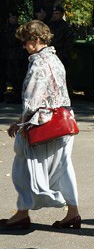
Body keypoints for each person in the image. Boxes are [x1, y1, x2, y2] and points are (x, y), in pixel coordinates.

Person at [2, 20, 81, 231]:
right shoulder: (55, 59)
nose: (24, 46)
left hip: (43, 122)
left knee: (23, 166)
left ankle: (22, 213)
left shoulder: (38, 63)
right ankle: (72, 212)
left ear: (36, 40)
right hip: (63, 120)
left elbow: (32, 100)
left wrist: (20, 122)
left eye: (26, 42)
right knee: (63, 167)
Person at [49, 5, 76, 79]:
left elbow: (69, 42)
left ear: (61, 14)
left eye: (57, 13)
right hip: (51, 53)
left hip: (62, 55)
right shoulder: (50, 25)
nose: (55, 15)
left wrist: (63, 54)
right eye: (54, 13)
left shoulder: (66, 27)